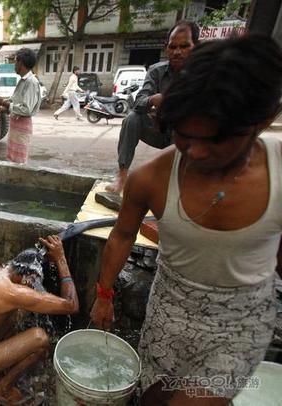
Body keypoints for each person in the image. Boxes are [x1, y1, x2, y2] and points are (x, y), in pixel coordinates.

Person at [90, 35, 282, 405]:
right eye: (183, 136)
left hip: (240, 323)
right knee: (152, 399)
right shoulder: (152, 178)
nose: (195, 151)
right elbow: (122, 235)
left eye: (214, 141)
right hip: (168, 312)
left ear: (260, 123)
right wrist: (103, 294)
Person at [0, 235, 79, 404]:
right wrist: (61, 259)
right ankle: (2, 388)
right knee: (40, 339)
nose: (33, 287)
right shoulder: (10, 292)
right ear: (28, 278)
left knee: (22, 311)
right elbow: (71, 305)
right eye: (33, 283)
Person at [106, 21, 199, 194]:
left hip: (187, 137)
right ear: (166, 48)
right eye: (173, 47)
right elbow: (138, 102)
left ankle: (179, 181)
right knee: (132, 119)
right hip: (158, 130)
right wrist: (152, 100)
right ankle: (122, 176)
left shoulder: (203, 75)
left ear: (196, 47)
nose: (177, 52)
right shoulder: (156, 71)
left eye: (184, 46)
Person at [0, 48, 42, 164]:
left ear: (21, 63)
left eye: (15, 62)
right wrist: (1, 103)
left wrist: (3, 103)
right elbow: (15, 102)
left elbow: (26, 109)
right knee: (12, 159)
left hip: (22, 125)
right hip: (16, 124)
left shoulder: (31, 82)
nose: (14, 65)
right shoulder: (23, 81)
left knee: (19, 162)